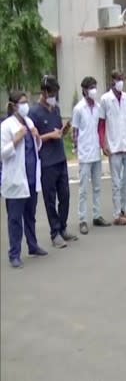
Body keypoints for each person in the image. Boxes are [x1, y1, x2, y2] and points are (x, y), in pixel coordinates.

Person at [30, 75, 77, 247]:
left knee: (65, 195)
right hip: (47, 161)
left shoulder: (55, 109)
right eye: (52, 93)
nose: (54, 96)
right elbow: (33, 139)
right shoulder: (33, 112)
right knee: (50, 198)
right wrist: (50, 135)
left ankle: (63, 227)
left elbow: (58, 131)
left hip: (60, 157)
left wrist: (63, 131)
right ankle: (54, 232)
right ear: (43, 92)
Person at [1, 91, 47, 268]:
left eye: (27, 102)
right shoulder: (6, 126)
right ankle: (14, 253)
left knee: (30, 215)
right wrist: (16, 140)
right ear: (13, 106)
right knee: (15, 219)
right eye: (22, 102)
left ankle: (33, 246)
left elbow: (36, 148)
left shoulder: (29, 122)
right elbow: (2, 153)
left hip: (30, 177)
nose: (26, 105)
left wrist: (36, 137)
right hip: (15, 180)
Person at [99, 70, 126, 225]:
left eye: (122, 79)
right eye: (118, 79)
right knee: (116, 183)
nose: (120, 82)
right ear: (112, 81)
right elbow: (102, 124)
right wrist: (103, 143)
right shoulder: (105, 99)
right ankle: (117, 214)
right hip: (114, 146)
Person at [72, 76, 111, 235]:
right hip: (84, 152)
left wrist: (103, 145)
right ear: (84, 90)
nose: (94, 90)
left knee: (97, 186)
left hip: (96, 151)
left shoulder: (98, 107)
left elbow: (100, 128)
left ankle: (96, 215)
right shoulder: (78, 109)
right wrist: (76, 149)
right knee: (83, 189)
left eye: (95, 86)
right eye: (91, 87)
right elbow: (75, 131)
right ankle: (82, 219)